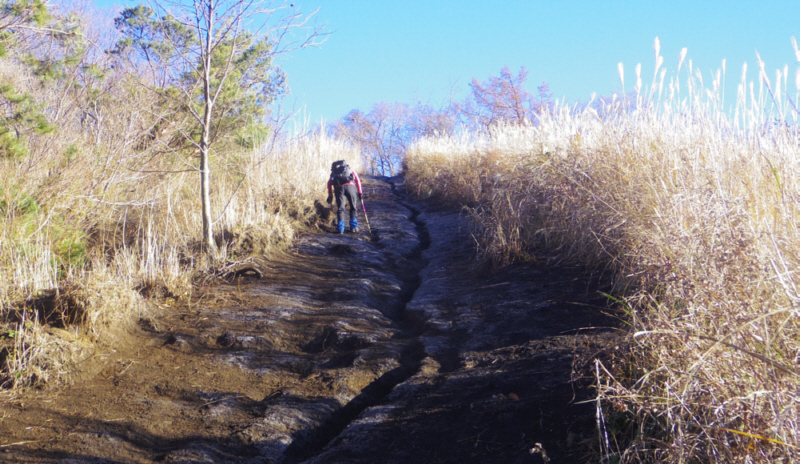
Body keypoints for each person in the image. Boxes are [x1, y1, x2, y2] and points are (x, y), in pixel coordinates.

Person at [326, 160, 363, 233]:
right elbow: (357, 180)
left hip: (339, 188)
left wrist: (330, 195)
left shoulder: (334, 172)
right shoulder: (349, 169)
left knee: (341, 208)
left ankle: (341, 229)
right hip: (350, 187)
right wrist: (360, 192)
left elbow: (329, 183)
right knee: (353, 207)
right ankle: (353, 227)